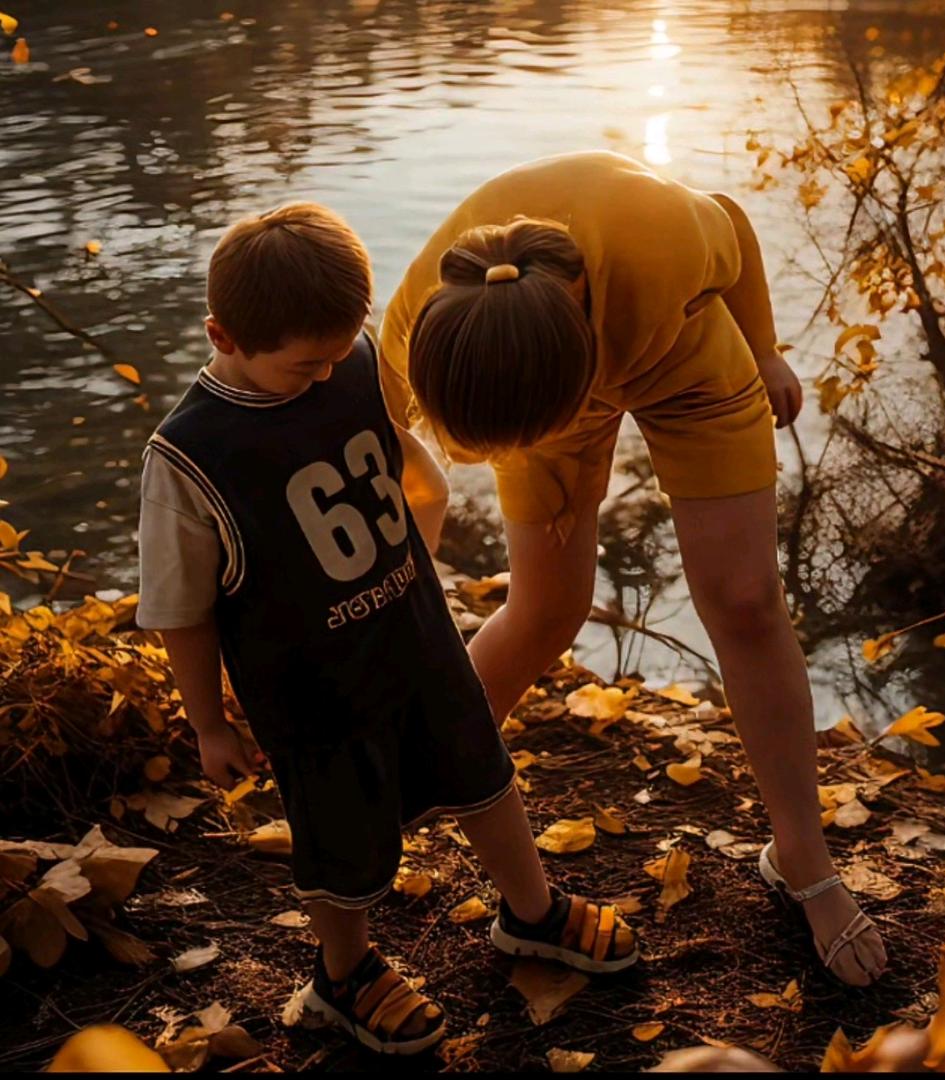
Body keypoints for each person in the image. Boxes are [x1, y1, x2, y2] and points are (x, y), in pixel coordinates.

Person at [135, 202, 638, 1057]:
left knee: (480, 765)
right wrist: (208, 721)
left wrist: (413, 567)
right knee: (344, 837)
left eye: (340, 353)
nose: (328, 376)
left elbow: (411, 470)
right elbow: (180, 608)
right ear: (223, 336)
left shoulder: (351, 360)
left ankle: (531, 911)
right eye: (305, 366)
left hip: (412, 634)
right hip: (314, 689)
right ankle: (345, 974)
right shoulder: (191, 455)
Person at [379, 150, 888, 986]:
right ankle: (424, 771)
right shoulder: (416, 328)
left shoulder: (662, 242)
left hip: (684, 359)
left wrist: (763, 350)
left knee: (748, 600)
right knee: (547, 609)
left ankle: (801, 858)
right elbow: (388, 481)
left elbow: (734, 215)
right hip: (532, 390)